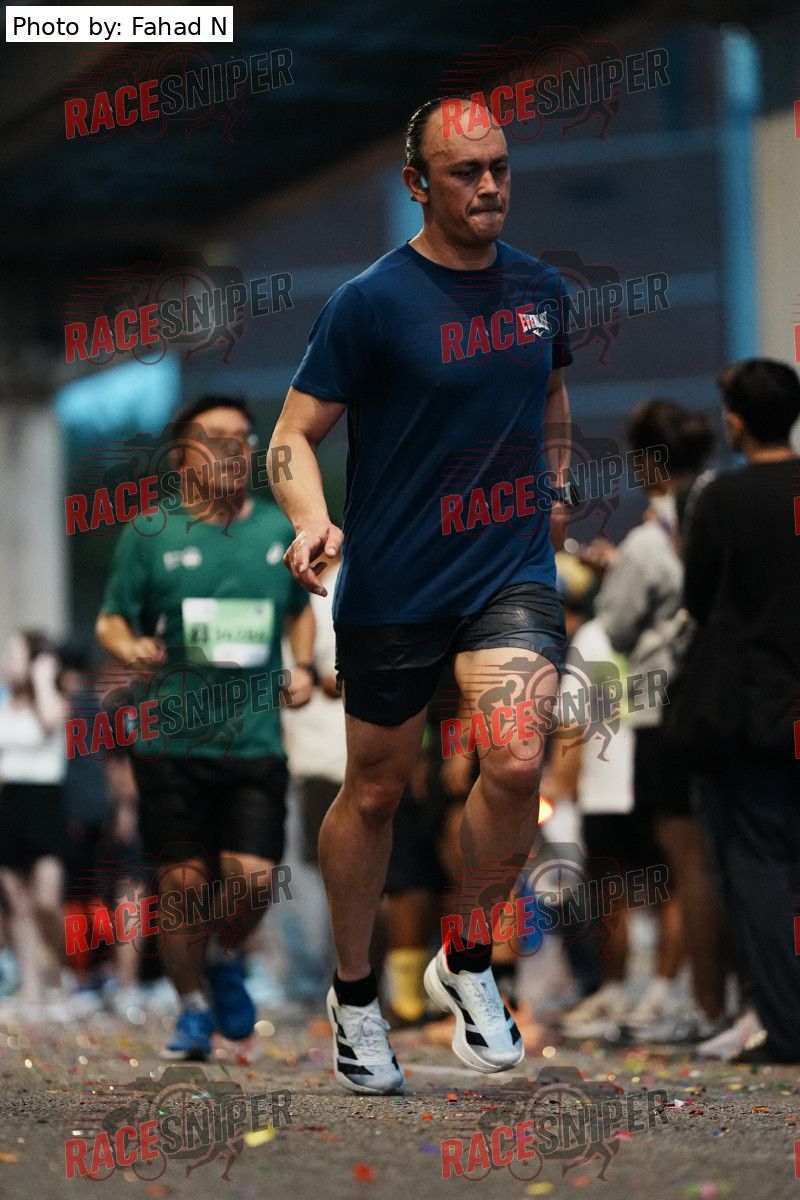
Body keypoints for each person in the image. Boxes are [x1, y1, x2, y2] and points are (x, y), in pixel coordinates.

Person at [269, 95, 574, 1093]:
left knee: (516, 757)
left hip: (509, 568)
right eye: (463, 171)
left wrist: (555, 486)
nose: (488, 185)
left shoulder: (540, 290)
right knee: (376, 788)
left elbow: (549, 399)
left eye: (498, 167)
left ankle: (469, 959)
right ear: (416, 183)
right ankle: (355, 994)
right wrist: (310, 519)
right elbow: (291, 436)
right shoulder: (368, 303)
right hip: (396, 576)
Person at [96, 395, 314, 1059]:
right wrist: (131, 647)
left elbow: (299, 608)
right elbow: (111, 618)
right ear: (182, 453)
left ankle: (219, 956)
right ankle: (191, 1008)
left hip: (254, 741)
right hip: (171, 742)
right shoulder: (149, 532)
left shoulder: (276, 530)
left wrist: (304, 666)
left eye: (243, 438)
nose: (232, 450)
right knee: (183, 886)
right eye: (215, 437)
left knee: (254, 879)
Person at [677, 359, 800, 1063]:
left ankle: (785, 1025)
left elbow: (698, 599)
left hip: (752, 710)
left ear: (737, 420)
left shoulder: (723, 498)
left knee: (758, 866)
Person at [591, 400, 725, 1040]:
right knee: (719, 855)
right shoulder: (720, 511)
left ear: (648, 463)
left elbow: (616, 627)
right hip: (724, 703)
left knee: (685, 865)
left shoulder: (648, 540)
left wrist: (613, 573)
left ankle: (704, 1004)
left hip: (664, 707)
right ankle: (721, 999)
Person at [0, 630, 70, 1015]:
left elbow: (49, 720)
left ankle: (58, 973)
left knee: (45, 900)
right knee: (18, 903)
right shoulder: (3, 702)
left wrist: (43, 677)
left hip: (45, 803)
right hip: (9, 801)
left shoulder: (53, 697)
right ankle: (30, 986)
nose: (7, 662)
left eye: (14, 654)